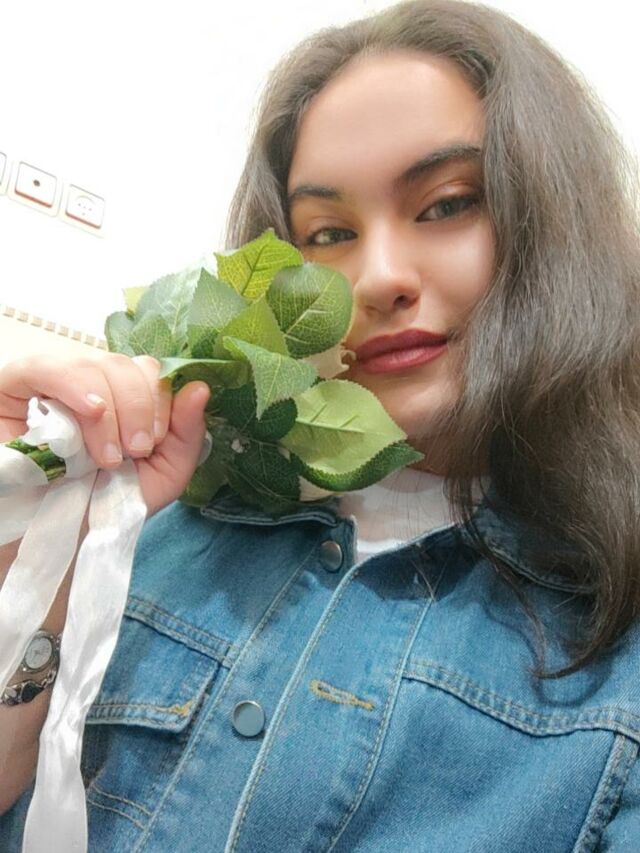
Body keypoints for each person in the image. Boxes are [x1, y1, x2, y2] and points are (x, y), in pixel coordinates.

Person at [2, 0, 640, 848]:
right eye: (329, 231)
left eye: (447, 204)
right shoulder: (157, 520)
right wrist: (36, 561)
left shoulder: (615, 643)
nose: (378, 277)